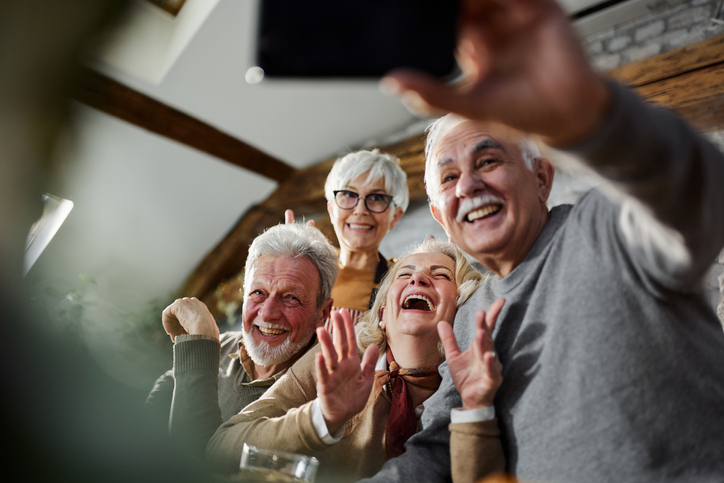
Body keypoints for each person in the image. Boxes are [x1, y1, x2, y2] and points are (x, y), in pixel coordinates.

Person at [359, 0, 724, 482]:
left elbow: (697, 194)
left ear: (542, 178)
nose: (466, 185)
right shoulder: (466, 320)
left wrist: (591, 116)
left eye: (488, 161)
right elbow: (437, 454)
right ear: (445, 224)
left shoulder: (604, 225)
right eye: (448, 179)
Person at [205, 239, 504, 482]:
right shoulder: (336, 358)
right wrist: (322, 417)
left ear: (461, 307)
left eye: (440, 275)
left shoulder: (477, 377)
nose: (418, 277)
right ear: (384, 313)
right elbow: (222, 445)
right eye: (404, 273)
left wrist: (476, 409)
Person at [145, 223, 338, 460]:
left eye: (291, 298)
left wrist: (199, 344)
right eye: (258, 292)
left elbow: (195, 462)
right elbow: (142, 429)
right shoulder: (222, 345)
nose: (268, 313)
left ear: (323, 313)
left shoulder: (325, 390)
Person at [289, 149, 409, 323]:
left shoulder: (400, 285)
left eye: (376, 198)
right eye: (348, 195)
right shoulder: (305, 269)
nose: (360, 210)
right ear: (331, 210)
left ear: (395, 217)